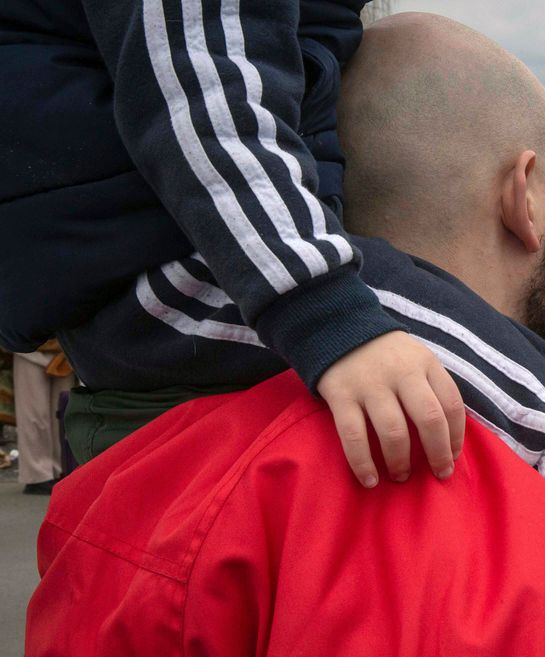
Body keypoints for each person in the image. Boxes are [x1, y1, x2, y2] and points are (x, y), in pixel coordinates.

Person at [10, 14, 545, 657]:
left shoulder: (228, 426)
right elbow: (200, 72)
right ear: (525, 196)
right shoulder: (333, 351)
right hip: (176, 247)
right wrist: (322, 307)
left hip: (111, 264)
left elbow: (139, 510)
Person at [0, 0, 465, 490]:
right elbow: (204, 88)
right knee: (522, 402)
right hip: (172, 251)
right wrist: (328, 313)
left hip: (128, 261)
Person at [11, 340, 74, 494]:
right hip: (29, 346)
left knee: (63, 414)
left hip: (66, 348)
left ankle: (61, 469)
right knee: (33, 415)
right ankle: (37, 475)